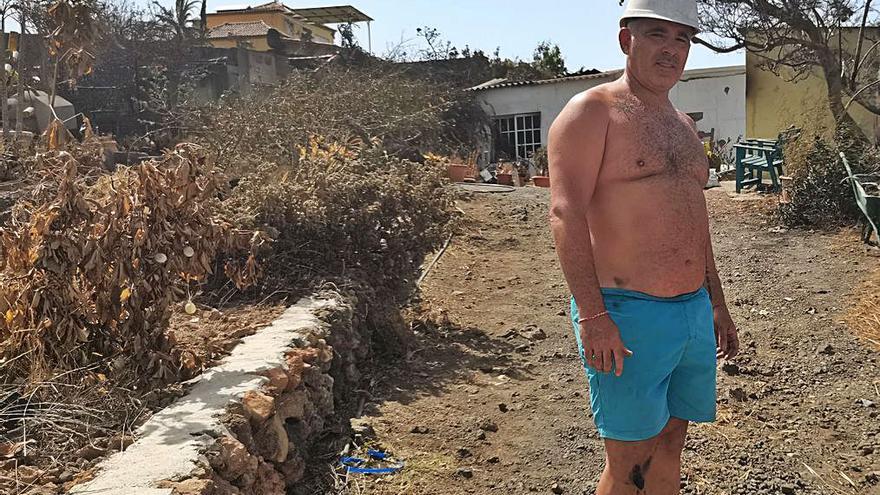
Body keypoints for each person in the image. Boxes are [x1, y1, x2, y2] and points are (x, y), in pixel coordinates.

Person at [547, 0, 739, 493]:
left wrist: (716, 303)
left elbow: (696, 221)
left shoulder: (683, 125)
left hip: (691, 309)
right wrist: (593, 316)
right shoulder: (593, 112)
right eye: (657, 34)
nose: (671, 50)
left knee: (673, 438)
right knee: (630, 453)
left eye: (682, 40)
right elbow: (565, 213)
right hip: (627, 311)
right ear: (625, 40)